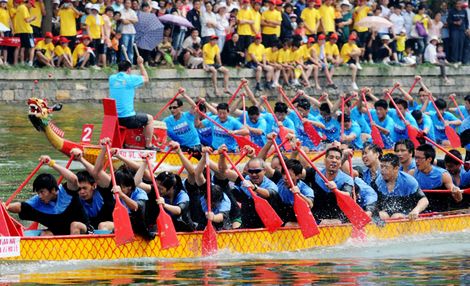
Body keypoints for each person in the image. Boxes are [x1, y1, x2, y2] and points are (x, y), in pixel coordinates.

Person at [6, 156, 91, 236]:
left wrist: (51, 163)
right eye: (38, 192)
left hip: (83, 231)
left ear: (53, 190)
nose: (39, 196)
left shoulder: (67, 192)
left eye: (42, 192)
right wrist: (5, 207)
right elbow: (20, 206)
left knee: (74, 225)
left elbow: (73, 179)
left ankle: (73, 252)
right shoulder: (38, 201)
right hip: (59, 232)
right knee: (45, 234)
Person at [218, 148, 279, 229]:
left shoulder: (270, 184)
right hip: (247, 225)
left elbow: (268, 194)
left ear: (264, 171)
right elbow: (224, 171)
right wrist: (222, 156)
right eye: (251, 171)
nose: (254, 174)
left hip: (267, 226)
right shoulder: (244, 180)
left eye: (257, 171)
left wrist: (254, 188)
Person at [109, 58, 156, 150]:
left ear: (118, 69)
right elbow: (146, 78)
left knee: (138, 115)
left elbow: (123, 80)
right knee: (150, 119)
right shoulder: (130, 79)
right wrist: (141, 64)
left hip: (115, 119)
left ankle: (125, 144)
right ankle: (148, 145)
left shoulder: (111, 78)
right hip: (127, 119)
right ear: (129, 70)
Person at [303, 147, 354, 224]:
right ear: (324, 161)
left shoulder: (347, 179)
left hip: (338, 219)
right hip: (317, 218)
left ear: (340, 163)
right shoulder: (315, 172)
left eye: (337, 158)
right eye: (331, 157)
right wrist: (297, 150)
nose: (334, 160)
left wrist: (335, 190)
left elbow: (347, 195)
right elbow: (298, 172)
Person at [69, 148, 115, 232]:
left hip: (111, 227)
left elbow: (96, 172)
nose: (81, 192)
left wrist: (81, 159)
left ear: (94, 186)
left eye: (84, 188)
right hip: (90, 230)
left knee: (102, 226)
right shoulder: (75, 198)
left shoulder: (104, 191)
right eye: (79, 189)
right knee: (74, 225)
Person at [410, 144, 463, 212]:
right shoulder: (411, 174)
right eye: (415, 158)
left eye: (419, 158)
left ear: (429, 159)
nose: (416, 161)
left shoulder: (443, 175)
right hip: (420, 212)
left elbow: (458, 199)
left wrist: (457, 192)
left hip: (440, 213)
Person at [375, 153, 429, 220]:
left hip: (407, 212)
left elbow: (424, 200)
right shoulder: (378, 181)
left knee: (396, 217)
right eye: (382, 166)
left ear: (396, 168)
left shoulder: (409, 181)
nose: (382, 170)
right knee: (380, 215)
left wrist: (416, 211)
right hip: (387, 211)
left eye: (386, 167)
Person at [276, 158, 314, 226]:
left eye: (289, 175)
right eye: (284, 174)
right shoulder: (279, 182)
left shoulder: (305, 189)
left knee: (289, 225)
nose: (285, 177)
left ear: (298, 176)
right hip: (282, 216)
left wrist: (299, 194)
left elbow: (310, 205)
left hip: (299, 219)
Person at [13, 0, 36, 66]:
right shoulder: (24, 8)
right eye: (31, 5)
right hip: (27, 31)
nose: (31, 7)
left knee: (20, 47)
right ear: (28, 2)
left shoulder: (19, 8)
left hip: (18, 31)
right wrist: (33, 18)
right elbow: (27, 20)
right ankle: (30, 63)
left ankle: (16, 63)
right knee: (32, 47)